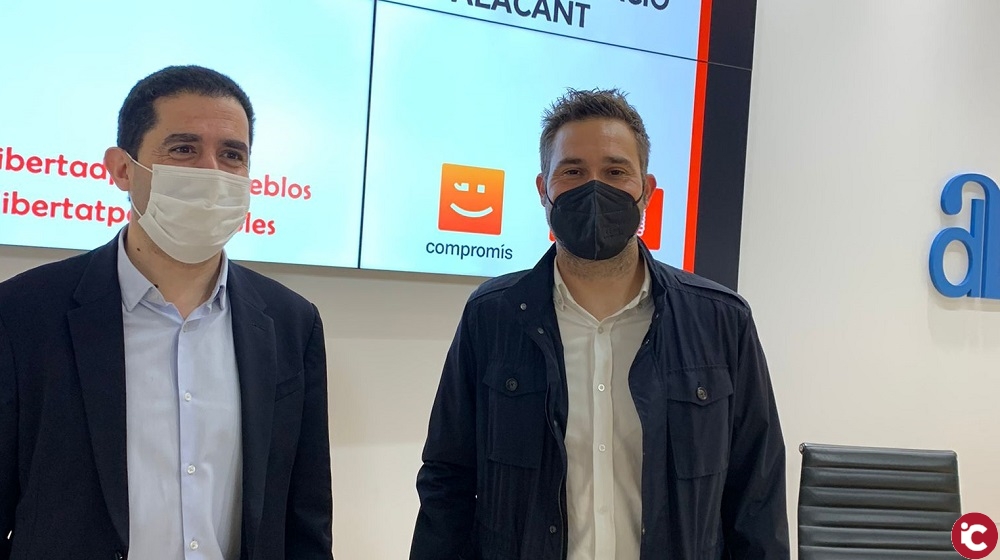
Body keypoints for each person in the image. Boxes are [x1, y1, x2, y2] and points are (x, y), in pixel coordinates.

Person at [410, 88, 789, 559]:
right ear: (543, 189)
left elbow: (756, 497)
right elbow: (447, 480)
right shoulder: (492, 317)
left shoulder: (721, 322)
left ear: (646, 189)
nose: (594, 189)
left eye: (615, 172)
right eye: (572, 171)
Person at [0, 65, 333, 560]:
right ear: (122, 169)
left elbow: (305, 519)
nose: (211, 172)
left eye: (232, 155)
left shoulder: (290, 323)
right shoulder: (23, 315)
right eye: (183, 149)